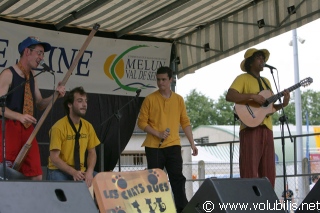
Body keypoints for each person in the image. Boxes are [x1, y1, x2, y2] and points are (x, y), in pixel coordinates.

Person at [0, 36, 65, 180]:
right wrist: (19, 116)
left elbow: (40, 103)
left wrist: (55, 96)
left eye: (43, 54)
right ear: (27, 52)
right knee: (6, 173)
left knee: (36, 175)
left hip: (28, 129)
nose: (41, 58)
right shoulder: (8, 74)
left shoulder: (32, 76)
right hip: (9, 127)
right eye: (39, 52)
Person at [226, 48, 290, 188]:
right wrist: (252, 96)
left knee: (268, 172)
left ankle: (267, 205)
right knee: (249, 169)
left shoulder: (267, 81)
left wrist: (283, 104)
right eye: (259, 58)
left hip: (267, 129)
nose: (263, 61)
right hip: (250, 129)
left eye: (263, 58)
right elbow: (230, 96)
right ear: (250, 62)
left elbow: (269, 110)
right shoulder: (242, 78)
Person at [137, 66, 198, 213]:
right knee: (155, 181)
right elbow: (141, 123)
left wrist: (192, 143)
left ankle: (182, 208)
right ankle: (155, 209)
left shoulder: (178, 99)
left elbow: (185, 122)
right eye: (158, 80)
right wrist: (157, 133)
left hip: (173, 145)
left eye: (164, 79)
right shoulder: (150, 99)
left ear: (171, 79)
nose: (161, 83)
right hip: (153, 146)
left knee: (177, 178)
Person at [47, 86, 100, 188]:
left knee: (101, 182)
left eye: (85, 101)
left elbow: (92, 152)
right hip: (59, 170)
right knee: (66, 190)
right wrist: (73, 172)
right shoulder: (58, 127)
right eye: (80, 101)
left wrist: (89, 171)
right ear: (69, 104)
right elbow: (54, 158)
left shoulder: (88, 126)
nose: (84, 105)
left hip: (80, 171)